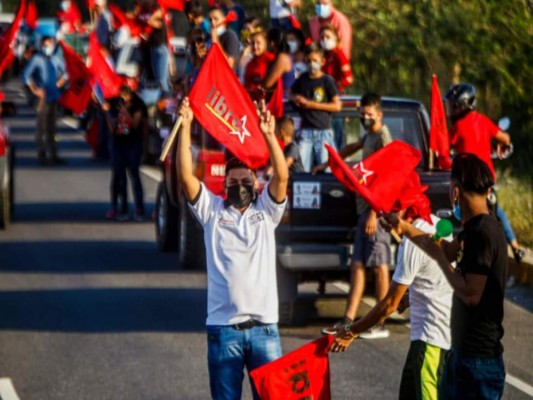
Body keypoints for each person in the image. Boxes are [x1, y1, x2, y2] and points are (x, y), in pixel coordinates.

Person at [177, 97, 289, 400]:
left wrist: (269, 135)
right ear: (223, 184)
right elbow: (187, 177)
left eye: (245, 180)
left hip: (265, 330)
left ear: (255, 183)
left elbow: (282, 176)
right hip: (223, 330)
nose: (239, 185)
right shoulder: (212, 211)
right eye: (232, 181)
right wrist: (186, 127)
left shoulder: (266, 211)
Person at [383, 153, 508, 399]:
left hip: (478, 362)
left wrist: (440, 259)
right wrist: (402, 226)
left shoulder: (484, 233)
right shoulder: (473, 229)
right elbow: (439, 249)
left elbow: (471, 294)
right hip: (461, 354)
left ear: (456, 191)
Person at [329, 204, 453, 399]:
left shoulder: (412, 241)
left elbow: (389, 304)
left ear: (401, 212)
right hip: (444, 343)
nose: (383, 221)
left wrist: (352, 331)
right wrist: (410, 295)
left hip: (430, 344)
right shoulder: (435, 225)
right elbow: (440, 280)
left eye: (386, 214)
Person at [317, 93, 392, 339]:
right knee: (358, 265)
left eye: (370, 115)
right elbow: (354, 146)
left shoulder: (383, 137)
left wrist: (374, 212)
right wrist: (331, 161)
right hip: (363, 211)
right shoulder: (369, 136)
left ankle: (380, 322)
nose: (365, 118)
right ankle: (349, 319)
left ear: (379, 114)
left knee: (380, 265)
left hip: (376, 213)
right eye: (362, 115)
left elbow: (387, 178)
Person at [444, 83, 525, 264]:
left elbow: (444, 149)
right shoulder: (482, 120)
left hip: (469, 182)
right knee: (496, 213)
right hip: (487, 181)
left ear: (462, 105)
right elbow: (505, 138)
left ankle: (463, 252)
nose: (450, 110)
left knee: (466, 218)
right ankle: (515, 245)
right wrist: (498, 145)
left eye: (452, 105)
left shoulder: (457, 128)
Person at [288, 43, 341, 172]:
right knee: (301, 170)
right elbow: (289, 93)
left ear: (322, 61)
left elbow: (337, 106)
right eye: (309, 60)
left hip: (323, 131)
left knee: (326, 169)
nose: (312, 64)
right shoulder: (302, 79)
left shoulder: (327, 81)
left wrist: (312, 105)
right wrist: (295, 98)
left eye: (315, 61)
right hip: (306, 131)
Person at [103, 84, 148, 221]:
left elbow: (135, 124)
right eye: (122, 94)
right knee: (118, 177)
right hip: (119, 144)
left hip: (133, 144)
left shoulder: (138, 104)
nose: (124, 98)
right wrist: (107, 114)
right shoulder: (115, 103)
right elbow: (112, 129)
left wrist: (125, 112)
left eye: (126, 95)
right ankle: (120, 208)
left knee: (134, 175)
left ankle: (139, 208)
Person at [22, 36, 68, 165]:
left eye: (50, 45)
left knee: (52, 128)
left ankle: (53, 155)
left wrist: (61, 81)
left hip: (54, 96)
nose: (48, 47)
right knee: (41, 127)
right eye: (46, 45)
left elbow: (66, 72)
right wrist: (35, 89)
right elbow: (26, 75)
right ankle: (42, 154)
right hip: (42, 98)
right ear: (42, 46)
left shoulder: (56, 58)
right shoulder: (37, 59)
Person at [319, 23, 353, 149]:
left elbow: (348, 79)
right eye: (322, 37)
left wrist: (333, 86)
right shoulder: (324, 56)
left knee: (337, 132)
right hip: (323, 98)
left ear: (336, 38)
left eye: (328, 37)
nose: (324, 40)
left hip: (336, 97)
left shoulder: (339, 55)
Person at [136, 0, 170, 94]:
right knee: (158, 79)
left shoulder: (161, 22)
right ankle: (163, 98)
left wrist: (157, 13)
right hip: (154, 49)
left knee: (162, 79)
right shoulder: (156, 22)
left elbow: (150, 21)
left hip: (160, 50)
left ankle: (166, 97)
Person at [243, 27, 275, 102]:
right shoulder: (250, 63)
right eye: (252, 43)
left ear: (265, 44)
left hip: (266, 101)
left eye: (258, 43)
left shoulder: (271, 59)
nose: (255, 46)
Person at [263, 28, 295, 95]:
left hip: (284, 100)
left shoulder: (282, 58)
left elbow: (268, 84)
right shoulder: (283, 56)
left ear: (272, 43)